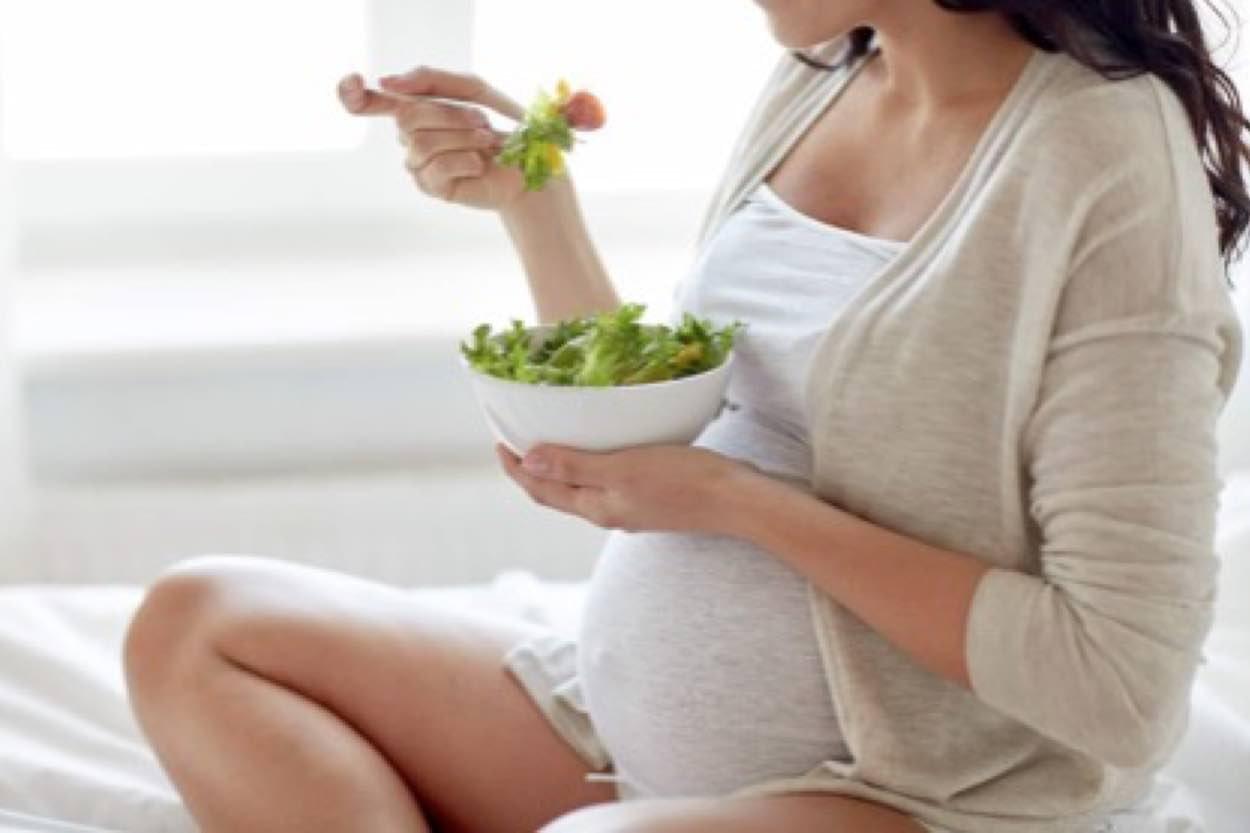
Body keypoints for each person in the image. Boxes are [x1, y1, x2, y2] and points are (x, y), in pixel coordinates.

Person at [122, 1, 1249, 831]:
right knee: (198, 621)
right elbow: (694, 433)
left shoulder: (1099, 151)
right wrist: (535, 204)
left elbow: (1121, 684)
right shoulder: (824, 73)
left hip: (913, 794)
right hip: (618, 732)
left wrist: (743, 507)